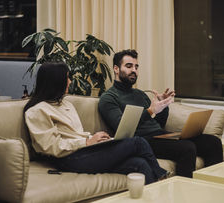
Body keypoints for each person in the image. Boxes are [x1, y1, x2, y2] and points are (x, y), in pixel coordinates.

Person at [23, 62, 167, 184]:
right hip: (67, 159)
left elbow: (75, 135)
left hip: (83, 152)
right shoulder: (37, 111)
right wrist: (86, 142)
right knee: (137, 142)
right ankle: (162, 177)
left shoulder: (65, 104)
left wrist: (98, 140)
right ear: (55, 81)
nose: (70, 81)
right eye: (67, 78)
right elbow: (52, 147)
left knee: (139, 164)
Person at [98, 49, 223, 178]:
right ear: (116, 69)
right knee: (187, 147)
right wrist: (151, 110)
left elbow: (159, 123)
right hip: (142, 141)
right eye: (129, 66)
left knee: (212, 142)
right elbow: (121, 127)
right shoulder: (108, 98)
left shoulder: (140, 94)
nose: (134, 70)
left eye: (136, 67)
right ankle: (183, 193)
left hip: (160, 136)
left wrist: (163, 105)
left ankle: (212, 186)